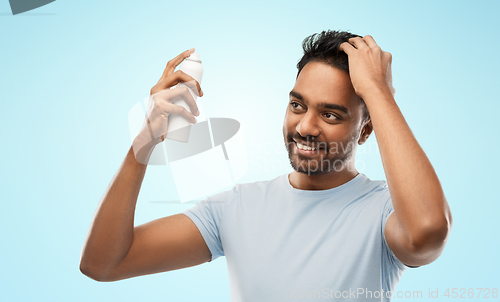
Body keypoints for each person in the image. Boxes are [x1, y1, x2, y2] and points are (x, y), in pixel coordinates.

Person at [80, 30, 452, 301]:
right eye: (297, 105)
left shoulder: (385, 212)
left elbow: (427, 232)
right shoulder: (236, 207)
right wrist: (144, 140)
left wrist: (378, 92)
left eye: (332, 114)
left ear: (366, 129)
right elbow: (104, 263)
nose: (306, 126)